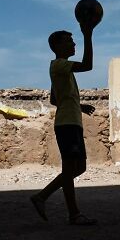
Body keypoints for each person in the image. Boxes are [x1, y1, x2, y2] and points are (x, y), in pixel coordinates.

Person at [30, 20, 97, 226]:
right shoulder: (59, 64)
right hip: (67, 124)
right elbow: (87, 65)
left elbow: (53, 99)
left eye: (75, 40)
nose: (74, 44)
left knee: (80, 167)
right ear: (57, 47)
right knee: (70, 168)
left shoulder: (61, 70)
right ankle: (74, 214)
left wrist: (79, 105)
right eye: (70, 41)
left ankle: (42, 197)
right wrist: (88, 34)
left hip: (71, 121)